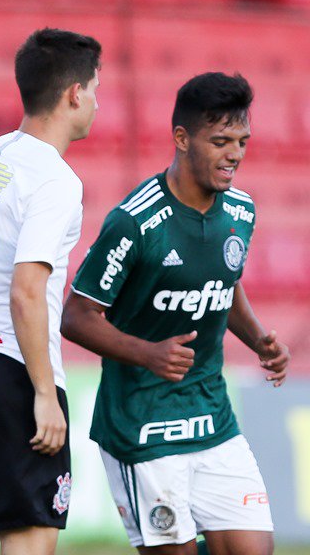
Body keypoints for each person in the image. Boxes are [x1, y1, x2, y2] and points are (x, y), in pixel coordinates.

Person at [62, 72, 288, 555]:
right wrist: (149, 353)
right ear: (182, 139)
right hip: (141, 424)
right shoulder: (136, 222)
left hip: (211, 416)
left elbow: (224, 285)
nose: (235, 154)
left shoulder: (242, 212)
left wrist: (259, 340)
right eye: (221, 141)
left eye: (242, 141)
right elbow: (76, 316)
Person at [0, 28, 102, 555]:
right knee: (30, 536)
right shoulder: (56, 180)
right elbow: (28, 290)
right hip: (17, 373)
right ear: (74, 93)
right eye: (95, 88)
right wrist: (43, 393)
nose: (96, 101)